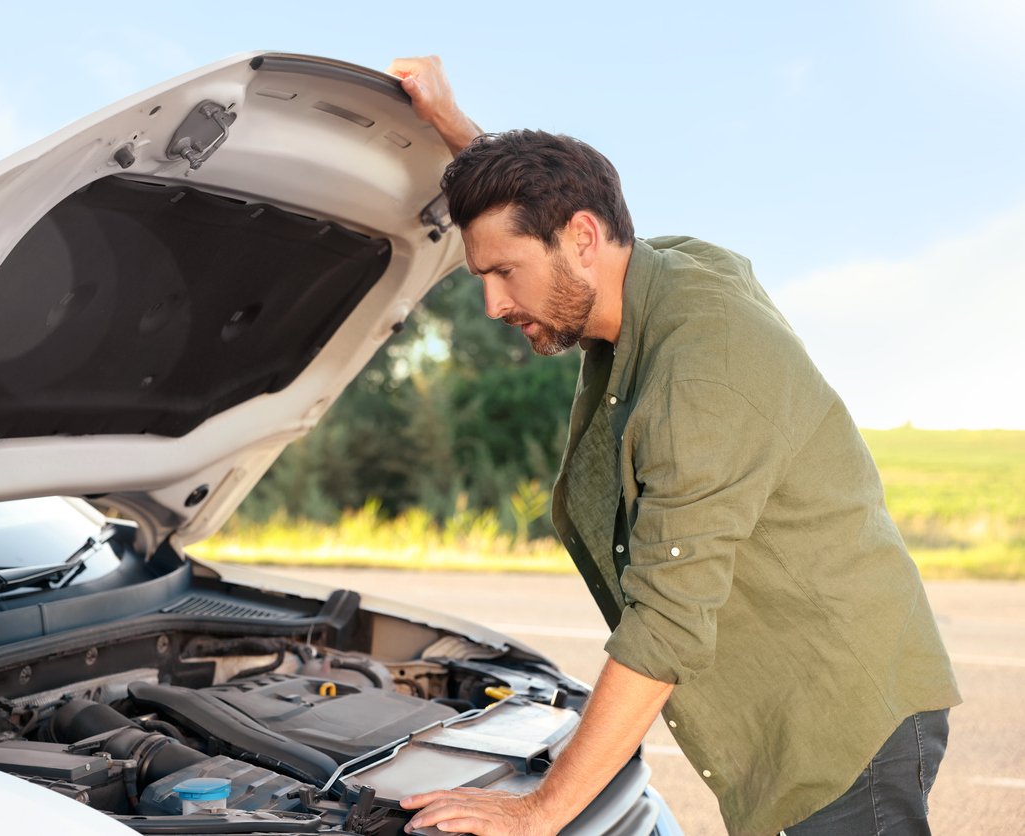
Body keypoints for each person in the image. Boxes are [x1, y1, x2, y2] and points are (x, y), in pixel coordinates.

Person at [386, 56, 961, 836]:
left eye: (503, 273)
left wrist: (540, 811)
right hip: (802, 693)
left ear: (581, 239)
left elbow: (664, 623)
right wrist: (458, 130)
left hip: (836, 723)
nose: (492, 303)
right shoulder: (651, 269)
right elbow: (549, 215)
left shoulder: (703, 375)